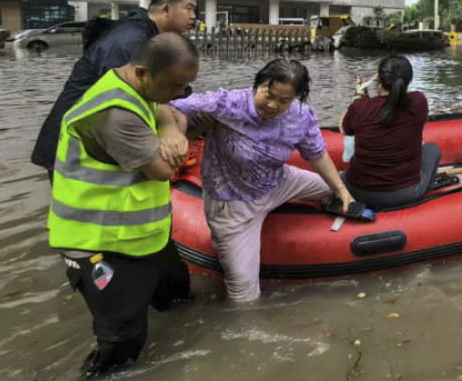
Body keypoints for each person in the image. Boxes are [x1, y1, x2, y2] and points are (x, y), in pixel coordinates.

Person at [48, 33, 199, 378]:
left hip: (143, 235)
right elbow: (162, 170)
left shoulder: (132, 85)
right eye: (175, 85)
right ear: (143, 73)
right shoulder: (114, 115)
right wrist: (176, 134)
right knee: (123, 338)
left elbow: (171, 112)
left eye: (187, 86)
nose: (181, 95)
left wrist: (172, 130)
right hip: (97, 242)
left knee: (176, 294)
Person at [167, 59, 353, 302]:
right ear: (258, 84)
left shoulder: (300, 116)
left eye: (284, 100)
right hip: (233, 205)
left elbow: (316, 154)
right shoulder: (226, 103)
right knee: (245, 298)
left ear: (295, 98)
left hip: (280, 181)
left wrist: (341, 191)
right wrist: (176, 133)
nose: (273, 105)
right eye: (269, 94)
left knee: (341, 188)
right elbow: (170, 108)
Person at [32, 0, 199, 178]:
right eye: (189, 9)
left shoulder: (143, 35)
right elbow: (136, 95)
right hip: (76, 148)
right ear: (165, 8)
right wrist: (171, 127)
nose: (193, 17)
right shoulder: (130, 42)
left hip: (96, 140)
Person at [340, 55, 441, 208]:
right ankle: (426, 197)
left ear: (378, 81)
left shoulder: (360, 107)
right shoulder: (419, 102)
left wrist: (358, 96)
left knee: (341, 175)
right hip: (406, 193)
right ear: (408, 82)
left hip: (358, 191)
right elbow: (391, 105)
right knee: (432, 149)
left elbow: (344, 128)